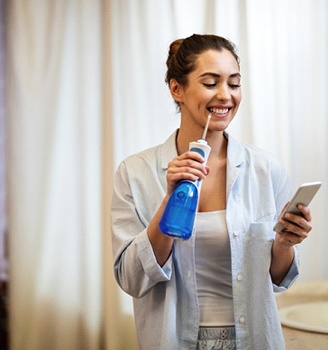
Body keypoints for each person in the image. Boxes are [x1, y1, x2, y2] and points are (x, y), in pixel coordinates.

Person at [110, 34, 313, 350]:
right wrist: (169, 202)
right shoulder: (135, 173)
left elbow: (278, 280)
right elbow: (131, 278)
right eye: (210, 83)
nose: (225, 96)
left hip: (253, 339)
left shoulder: (266, 170)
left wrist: (284, 244)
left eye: (233, 84)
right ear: (177, 89)